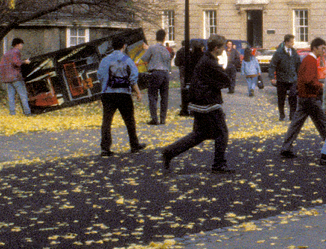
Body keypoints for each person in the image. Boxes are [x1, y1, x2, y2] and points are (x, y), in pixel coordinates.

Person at [161, 35, 234, 173]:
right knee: (222, 133)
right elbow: (226, 80)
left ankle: (169, 152)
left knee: (200, 134)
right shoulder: (210, 62)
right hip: (208, 102)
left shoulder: (205, 59)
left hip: (199, 101)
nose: (224, 49)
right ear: (216, 48)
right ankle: (219, 164)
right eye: (222, 47)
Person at [280, 37, 326, 158]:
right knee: (322, 122)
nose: (323, 51)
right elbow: (309, 79)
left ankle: (286, 147)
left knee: (298, 123)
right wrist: (320, 85)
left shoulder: (308, 59)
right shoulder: (311, 60)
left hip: (304, 96)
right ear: (315, 48)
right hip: (310, 97)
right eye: (322, 48)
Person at [97, 35, 145, 155]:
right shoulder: (127, 60)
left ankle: (105, 147)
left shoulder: (105, 60)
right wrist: (138, 92)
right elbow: (133, 78)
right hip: (124, 94)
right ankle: (134, 145)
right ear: (124, 46)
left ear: (113, 46)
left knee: (107, 121)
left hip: (108, 94)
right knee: (129, 120)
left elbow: (100, 76)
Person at [269, 34, 300, 122]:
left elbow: (298, 65)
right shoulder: (279, 53)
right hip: (282, 79)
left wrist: (299, 76)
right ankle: (282, 114)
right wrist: (272, 77)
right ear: (286, 42)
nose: (293, 44)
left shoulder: (294, 52)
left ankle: (292, 115)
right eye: (292, 42)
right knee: (281, 98)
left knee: (293, 96)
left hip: (293, 79)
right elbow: (272, 65)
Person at [145, 29, 173, 124]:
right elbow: (169, 62)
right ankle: (163, 118)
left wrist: (146, 49)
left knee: (152, 95)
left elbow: (144, 58)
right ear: (164, 38)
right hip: (165, 73)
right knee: (164, 96)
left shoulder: (152, 48)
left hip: (156, 72)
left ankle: (154, 118)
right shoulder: (166, 50)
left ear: (156, 37)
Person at [0, 37, 29, 115]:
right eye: (21, 44)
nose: (22, 46)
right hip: (16, 77)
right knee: (23, 95)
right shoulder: (16, 52)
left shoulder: (7, 53)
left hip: (7, 78)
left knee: (11, 96)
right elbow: (17, 63)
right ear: (17, 44)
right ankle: (27, 112)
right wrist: (25, 62)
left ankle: (12, 113)